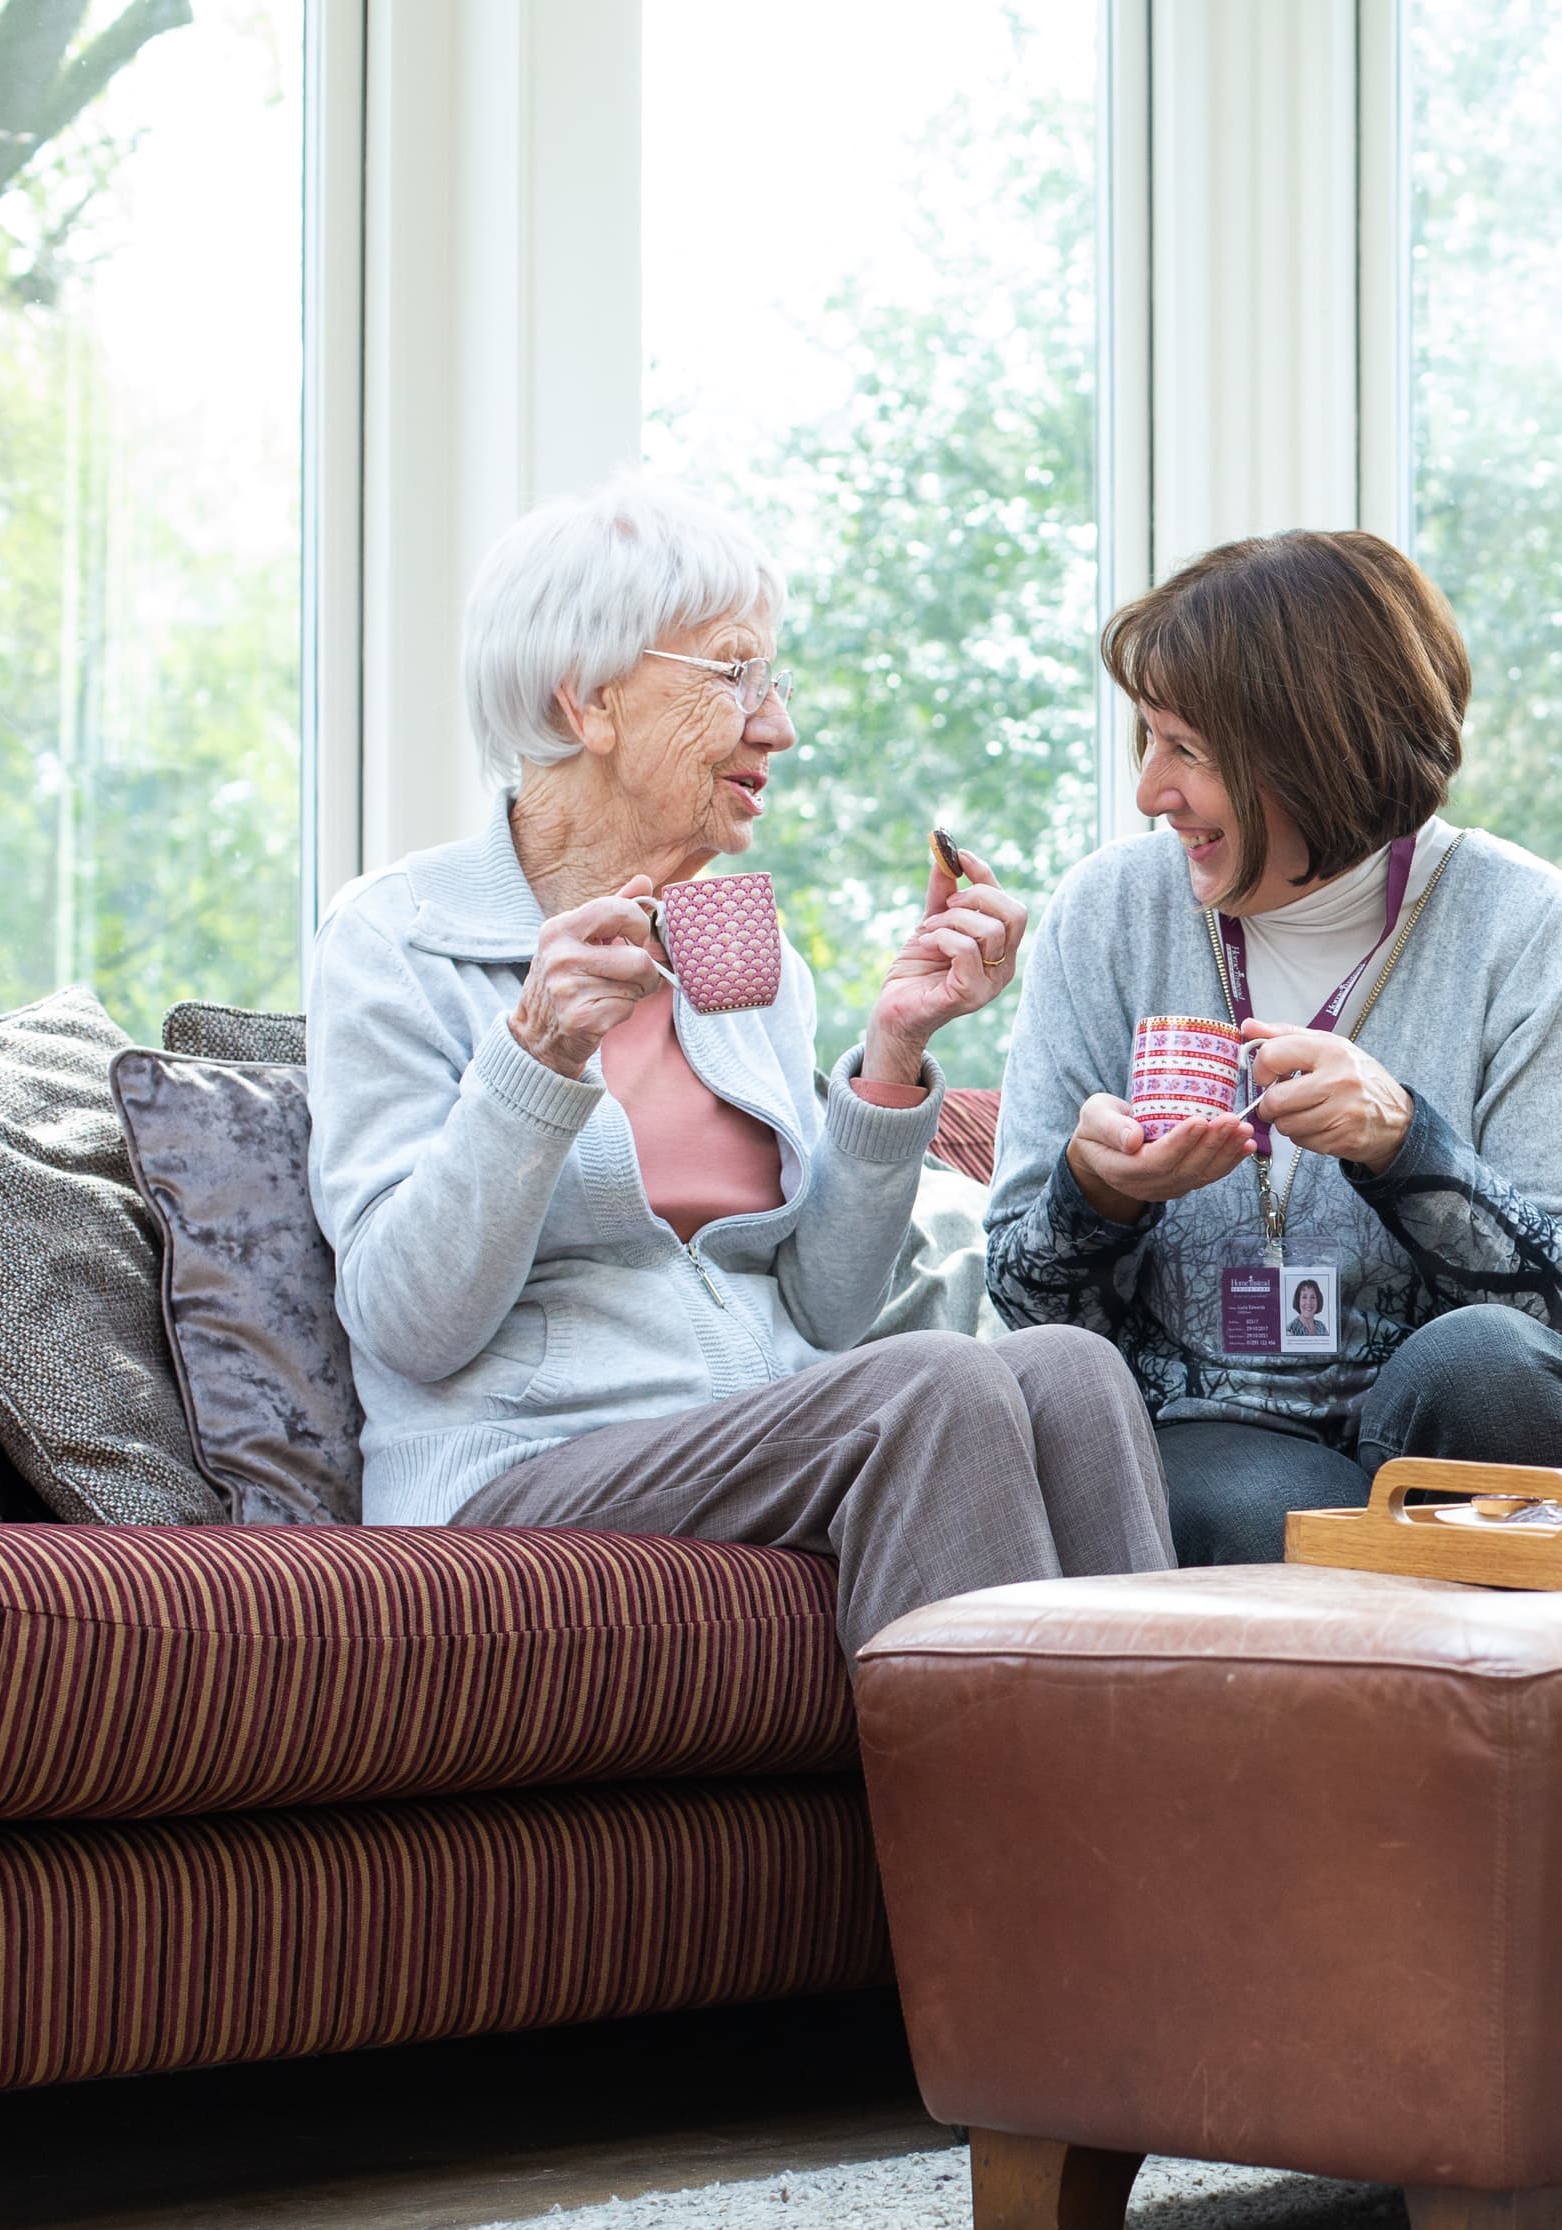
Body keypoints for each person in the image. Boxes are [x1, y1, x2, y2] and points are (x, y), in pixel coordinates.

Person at [310, 477, 1171, 1657]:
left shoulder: (741, 953)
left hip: (746, 1431)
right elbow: (409, 1324)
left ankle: (1167, 1827)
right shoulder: (399, 940)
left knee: (1069, 1372)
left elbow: (828, 1306)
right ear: (588, 698)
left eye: (774, 680)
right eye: (734, 674)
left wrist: (894, 1053)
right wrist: (539, 1054)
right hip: (518, 1465)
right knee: (938, 1385)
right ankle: (1022, 1840)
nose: (778, 726)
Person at [985, 530, 1562, 1564]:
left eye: (1187, 751)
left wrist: (1404, 1146)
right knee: (1243, 1512)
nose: (1151, 791)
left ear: (1312, 751)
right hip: (1216, 1432)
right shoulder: (1109, 914)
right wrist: (1097, 1195)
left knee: (1491, 1370)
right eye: (1146, 741)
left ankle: (1487, 1685)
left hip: (1461, 1430)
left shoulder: (1529, 928)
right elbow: (1029, 1308)